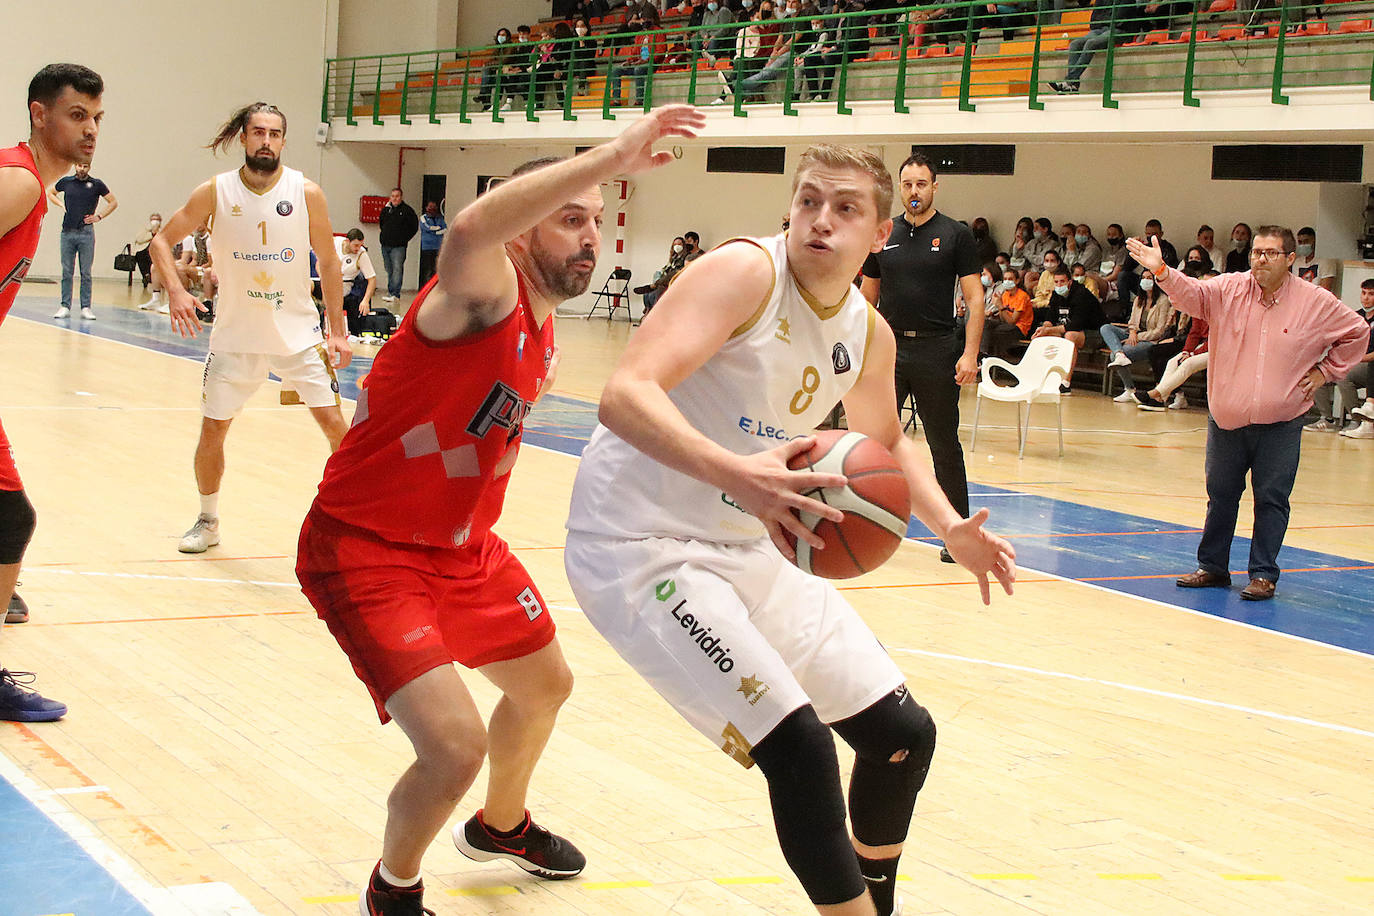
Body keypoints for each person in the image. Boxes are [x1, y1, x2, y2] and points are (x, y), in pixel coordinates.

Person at [564, 143, 1015, 916]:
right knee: (801, 751)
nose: (820, 220)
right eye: (808, 201)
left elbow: (891, 439)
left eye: (844, 209)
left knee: (903, 737)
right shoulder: (744, 274)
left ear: (880, 233)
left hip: (749, 536)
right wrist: (737, 472)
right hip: (639, 542)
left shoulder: (867, 332)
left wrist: (949, 526)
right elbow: (623, 393)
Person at [297, 104, 705, 916]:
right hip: (367, 548)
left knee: (546, 686)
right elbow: (474, 230)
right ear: (523, 232)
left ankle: (500, 825)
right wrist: (608, 154)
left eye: (596, 220)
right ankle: (395, 888)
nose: (589, 234)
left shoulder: (544, 329)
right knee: (452, 747)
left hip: (463, 551)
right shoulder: (483, 293)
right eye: (568, 218)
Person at [149, 102, 352, 555]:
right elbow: (159, 242)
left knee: (337, 427)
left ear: (283, 141)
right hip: (236, 338)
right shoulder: (214, 192)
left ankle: (357, 521)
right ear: (243, 137)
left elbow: (330, 261)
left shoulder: (306, 192)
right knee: (213, 431)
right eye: (258, 132)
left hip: (298, 335)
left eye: (274, 134)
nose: (266, 141)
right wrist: (177, 292)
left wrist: (337, 329)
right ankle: (208, 519)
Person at [1127, 228, 1367, 600]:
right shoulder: (1228, 289)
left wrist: (1325, 371)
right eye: (1256, 252)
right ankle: (1212, 567)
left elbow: (1357, 332)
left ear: (1290, 259)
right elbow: (1192, 295)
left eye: (1271, 253)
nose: (1260, 259)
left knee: (1271, 499)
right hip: (1227, 419)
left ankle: (1263, 574)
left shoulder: (1315, 301)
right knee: (1220, 495)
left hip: (1282, 422)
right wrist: (1162, 272)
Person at [1, 63, 106, 722]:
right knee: (10, 518)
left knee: (9, 519)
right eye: (77, 115)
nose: (90, 130)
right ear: (40, 114)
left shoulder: (33, 185)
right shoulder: (18, 183)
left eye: (96, 118)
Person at [860, 151, 982, 563]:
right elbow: (867, 296)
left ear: (934, 187)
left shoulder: (955, 234)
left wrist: (969, 354)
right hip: (888, 350)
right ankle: (862, 522)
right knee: (871, 442)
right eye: (907, 184)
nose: (914, 192)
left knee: (943, 444)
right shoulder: (884, 231)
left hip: (938, 349)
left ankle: (958, 534)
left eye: (921, 184)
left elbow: (975, 298)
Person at [49, 160, 117, 320]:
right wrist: (61, 205)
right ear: (75, 166)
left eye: (85, 166)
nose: (81, 169)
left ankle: (86, 307)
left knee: (85, 272)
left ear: (89, 167)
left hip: (86, 233)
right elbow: (51, 192)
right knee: (67, 271)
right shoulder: (67, 182)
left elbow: (113, 202)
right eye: (79, 166)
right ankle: (65, 305)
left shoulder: (96, 184)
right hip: (67, 232)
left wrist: (99, 216)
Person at [1309, 278, 1374, 434]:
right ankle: (1327, 418)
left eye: (1371, 294)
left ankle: (1357, 421)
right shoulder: (1355, 317)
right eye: (1363, 293)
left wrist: (1356, 359)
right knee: (1318, 372)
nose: (1366, 297)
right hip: (1352, 361)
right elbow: (1340, 342)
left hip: (1368, 364)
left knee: (1344, 378)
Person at [1032, 262, 1107, 392]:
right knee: (1041, 336)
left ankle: (1065, 382)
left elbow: (1075, 325)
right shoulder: (1056, 294)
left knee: (1070, 336)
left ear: (1070, 281)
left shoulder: (1081, 294)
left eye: (1062, 282)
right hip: (1071, 330)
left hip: (1096, 333)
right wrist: (1044, 329)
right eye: (1056, 282)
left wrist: (1049, 329)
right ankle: (1041, 376)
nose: (1059, 285)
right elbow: (1050, 317)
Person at [335, 228, 379, 339]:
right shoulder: (335, 242)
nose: (358, 248)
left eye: (360, 245)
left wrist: (365, 301)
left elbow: (372, 279)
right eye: (355, 245)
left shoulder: (362, 254)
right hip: (327, 281)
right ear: (347, 242)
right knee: (310, 286)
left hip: (345, 286)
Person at [378, 187, 418, 303]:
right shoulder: (386, 210)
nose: (395, 198)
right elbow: (381, 223)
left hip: (399, 247)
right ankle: (390, 292)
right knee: (389, 269)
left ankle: (395, 293)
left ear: (401, 197)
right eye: (393, 196)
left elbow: (414, 227)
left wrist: (404, 238)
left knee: (397, 269)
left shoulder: (407, 211)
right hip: (385, 245)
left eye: (397, 196)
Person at [1293, 226, 1337, 291]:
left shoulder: (1326, 261)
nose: (1303, 245)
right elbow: (1295, 287)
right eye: (1300, 242)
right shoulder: (1297, 262)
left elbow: (1325, 290)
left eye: (1306, 241)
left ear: (1314, 241)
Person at [417, 201, 446, 289]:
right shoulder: (423, 218)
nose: (432, 209)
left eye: (434, 207)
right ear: (426, 208)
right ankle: (424, 289)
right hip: (426, 248)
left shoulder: (440, 218)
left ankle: (434, 289)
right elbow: (426, 227)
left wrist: (433, 230)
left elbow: (444, 229)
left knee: (435, 270)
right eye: (430, 207)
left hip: (437, 247)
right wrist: (436, 230)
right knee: (426, 270)